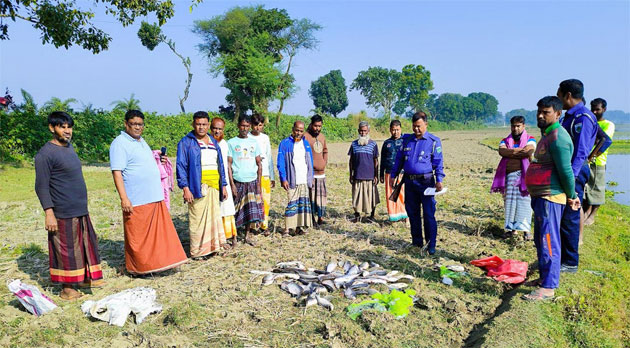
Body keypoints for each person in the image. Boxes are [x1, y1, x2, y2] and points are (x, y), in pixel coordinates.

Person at [34, 111, 104, 300]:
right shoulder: (45, 154)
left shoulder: (69, 147)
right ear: (52, 128)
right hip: (62, 211)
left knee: (84, 245)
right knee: (67, 250)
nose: (67, 131)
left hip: (79, 209)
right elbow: (41, 186)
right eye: (62, 127)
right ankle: (67, 289)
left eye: (69, 127)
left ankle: (81, 278)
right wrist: (49, 213)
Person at [110, 110, 188, 275]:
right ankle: (139, 268)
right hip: (137, 199)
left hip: (154, 197)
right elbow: (117, 172)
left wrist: (160, 161)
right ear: (126, 124)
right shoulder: (119, 143)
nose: (138, 127)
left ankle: (155, 265)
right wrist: (124, 198)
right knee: (138, 238)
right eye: (134, 124)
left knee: (156, 238)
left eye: (140, 124)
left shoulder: (141, 141)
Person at [523, 96, 580, 301]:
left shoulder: (558, 138)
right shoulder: (548, 135)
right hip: (540, 197)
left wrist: (572, 196)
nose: (540, 115)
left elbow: (566, 171)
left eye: (545, 112)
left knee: (549, 241)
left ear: (558, 113)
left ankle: (548, 287)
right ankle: (543, 278)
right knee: (541, 240)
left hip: (551, 197)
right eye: (539, 111)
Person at [556, 79, 597, 273]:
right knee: (563, 215)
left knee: (571, 215)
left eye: (559, 95)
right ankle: (562, 257)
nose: (558, 99)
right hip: (565, 171)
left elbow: (580, 152)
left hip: (575, 172)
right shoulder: (568, 117)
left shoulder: (583, 118)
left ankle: (570, 262)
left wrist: (570, 179)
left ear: (568, 95)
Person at [390, 112, 444, 255]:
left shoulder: (433, 141)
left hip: (426, 182)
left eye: (419, 126)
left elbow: (438, 162)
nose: (416, 130)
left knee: (428, 214)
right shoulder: (407, 140)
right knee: (412, 213)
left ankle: (430, 244)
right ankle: (417, 242)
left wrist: (439, 180)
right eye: (414, 126)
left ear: (426, 124)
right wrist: (393, 175)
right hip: (409, 182)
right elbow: (399, 159)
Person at [176, 111, 228, 259]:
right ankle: (198, 252)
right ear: (193, 124)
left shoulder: (213, 141)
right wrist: (185, 188)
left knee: (213, 218)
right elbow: (181, 166)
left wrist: (223, 185)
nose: (201, 127)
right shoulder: (186, 142)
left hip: (214, 186)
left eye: (204, 124)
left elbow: (220, 165)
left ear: (208, 125)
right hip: (197, 186)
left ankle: (212, 248)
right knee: (197, 219)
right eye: (198, 124)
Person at [491, 115, 536, 240]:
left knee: (525, 203)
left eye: (518, 126)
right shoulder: (505, 140)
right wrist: (519, 152)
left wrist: (511, 152)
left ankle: (526, 231)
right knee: (510, 203)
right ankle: (512, 230)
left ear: (523, 126)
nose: (515, 129)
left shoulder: (530, 139)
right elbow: (502, 151)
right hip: (509, 176)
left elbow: (528, 151)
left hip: (525, 176)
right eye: (513, 126)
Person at [227, 115, 264, 246]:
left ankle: (247, 235)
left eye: (247, 126)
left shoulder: (254, 143)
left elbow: (259, 164)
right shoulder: (231, 143)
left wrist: (259, 184)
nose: (245, 128)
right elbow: (228, 165)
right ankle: (234, 237)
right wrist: (232, 184)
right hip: (238, 181)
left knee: (250, 210)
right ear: (238, 126)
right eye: (242, 126)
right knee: (236, 210)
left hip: (252, 181)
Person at [277, 121, 314, 236]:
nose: (298, 133)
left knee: (302, 204)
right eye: (297, 130)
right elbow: (280, 162)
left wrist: (310, 177)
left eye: (301, 131)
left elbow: (310, 162)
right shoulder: (285, 143)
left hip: (303, 179)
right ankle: (287, 229)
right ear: (293, 129)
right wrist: (283, 178)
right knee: (291, 203)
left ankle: (299, 228)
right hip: (292, 179)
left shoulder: (306, 144)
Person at [584, 98, 615, 226]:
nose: (595, 112)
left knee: (597, 188)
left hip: (598, 161)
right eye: (593, 109)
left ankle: (592, 215)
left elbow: (602, 142)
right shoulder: (591, 122)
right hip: (587, 160)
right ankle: (586, 211)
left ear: (604, 109)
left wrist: (592, 156)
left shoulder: (608, 125)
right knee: (587, 188)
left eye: (598, 109)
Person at [211, 117, 239, 249]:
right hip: (212, 180)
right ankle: (219, 239)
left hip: (225, 181)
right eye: (215, 128)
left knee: (227, 208)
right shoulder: (207, 142)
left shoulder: (225, 144)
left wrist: (231, 184)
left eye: (220, 129)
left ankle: (233, 236)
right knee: (216, 210)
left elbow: (228, 165)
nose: (217, 131)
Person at [348, 121, 380, 223]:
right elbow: (351, 161)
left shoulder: (373, 144)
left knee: (371, 196)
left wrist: (376, 175)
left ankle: (371, 216)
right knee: (356, 197)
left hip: (370, 175)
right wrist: (351, 174)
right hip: (357, 175)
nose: (363, 133)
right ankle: (357, 216)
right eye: (361, 131)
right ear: (358, 131)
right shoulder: (354, 144)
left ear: (368, 131)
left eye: (365, 131)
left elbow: (376, 161)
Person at [249, 113, 275, 234]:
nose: (257, 128)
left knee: (265, 200)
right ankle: (253, 226)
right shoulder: (247, 138)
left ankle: (264, 225)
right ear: (251, 125)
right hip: (251, 174)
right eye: (255, 125)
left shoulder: (265, 138)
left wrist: (272, 176)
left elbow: (269, 157)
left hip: (264, 174)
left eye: (260, 125)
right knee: (252, 201)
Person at [380, 120, 408, 223]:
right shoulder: (387, 143)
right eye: (393, 130)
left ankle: (405, 216)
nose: (395, 132)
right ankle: (393, 217)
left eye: (397, 130)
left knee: (402, 194)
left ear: (400, 129)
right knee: (390, 195)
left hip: (402, 174)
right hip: (389, 173)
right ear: (390, 130)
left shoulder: (405, 141)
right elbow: (382, 159)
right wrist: (381, 174)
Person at [304, 114, 328, 226]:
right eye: (315, 126)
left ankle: (321, 217)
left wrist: (324, 163)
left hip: (321, 174)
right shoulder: (305, 136)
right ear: (311, 124)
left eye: (319, 126)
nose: (317, 128)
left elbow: (325, 151)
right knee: (311, 197)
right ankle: (311, 218)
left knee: (321, 197)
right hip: (310, 174)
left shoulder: (322, 137)